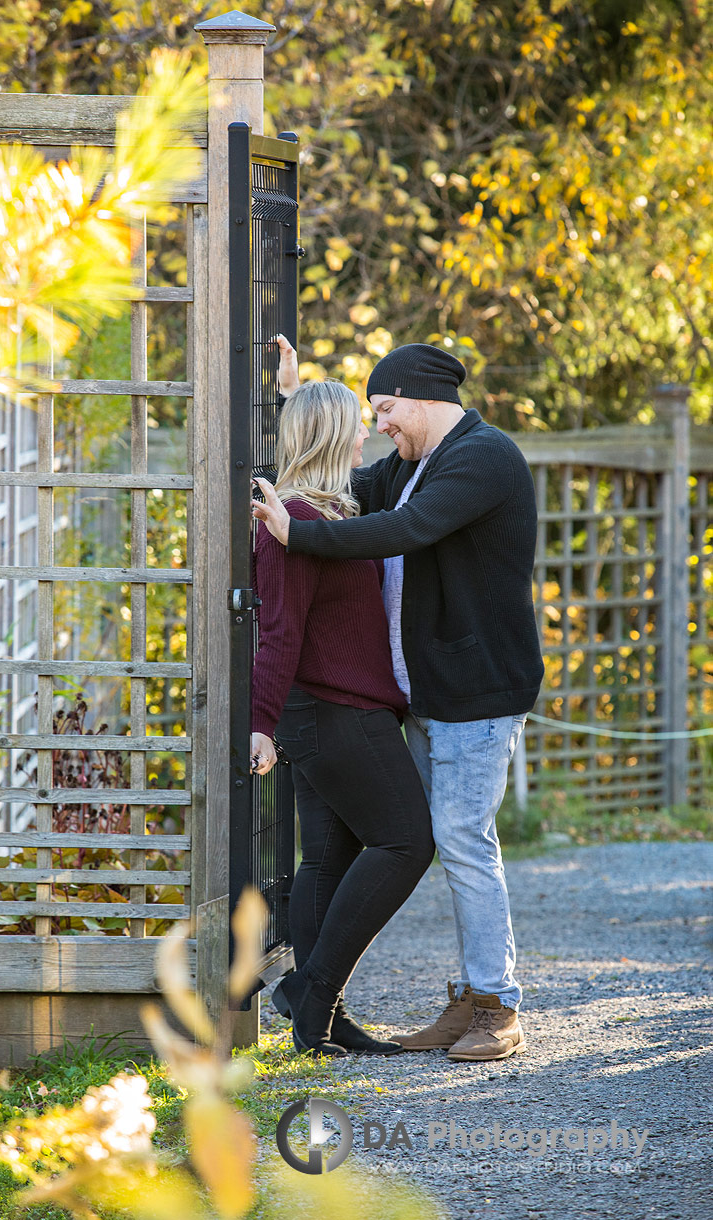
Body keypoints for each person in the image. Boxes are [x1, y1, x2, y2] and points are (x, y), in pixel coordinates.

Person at [252, 338, 544, 1062]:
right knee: (428, 840)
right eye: (371, 412)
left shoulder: (483, 458)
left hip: (475, 695)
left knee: (461, 843)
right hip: (428, 697)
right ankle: (465, 997)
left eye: (385, 409)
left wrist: (298, 535)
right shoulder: (413, 467)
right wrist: (297, 402)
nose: (380, 423)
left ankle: (496, 1005)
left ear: (421, 398)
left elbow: (404, 530)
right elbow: (339, 473)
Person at [250, 377, 436, 1058]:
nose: (364, 435)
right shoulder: (292, 521)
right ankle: (313, 996)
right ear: (332, 436)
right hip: (332, 715)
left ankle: (320, 1011)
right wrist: (261, 722)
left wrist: (293, 392)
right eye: (353, 425)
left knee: (327, 861)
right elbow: (279, 632)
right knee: (406, 842)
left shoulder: (321, 513)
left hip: (334, 712)